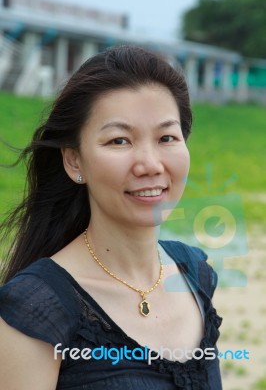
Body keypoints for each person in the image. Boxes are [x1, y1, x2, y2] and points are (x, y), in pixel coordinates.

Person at [0, 45, 222, 389]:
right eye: (119, 141)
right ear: (75, 161)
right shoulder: (37, 308)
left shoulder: (195, 274)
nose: (150, 164)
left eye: (166, 137)